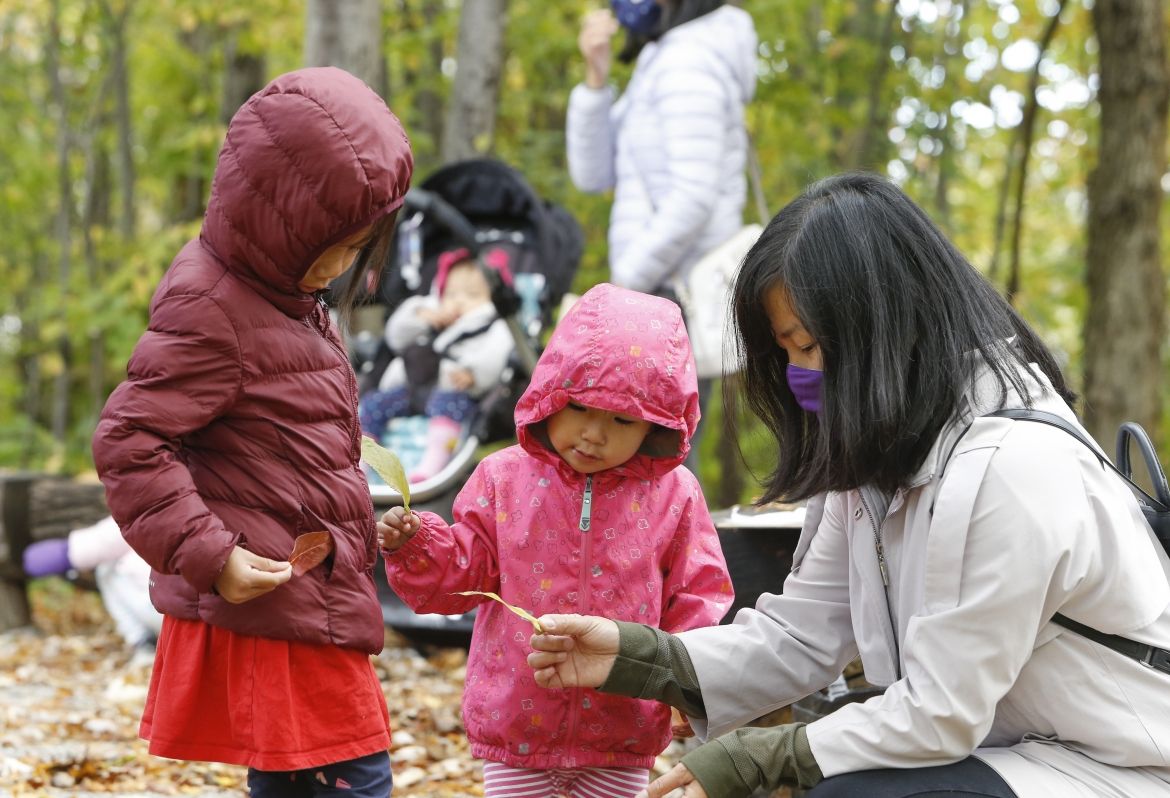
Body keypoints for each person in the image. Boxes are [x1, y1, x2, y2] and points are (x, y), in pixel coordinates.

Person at [526, 173, 1170, 798]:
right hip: (1011, 746)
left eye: (809, 347)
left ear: (886, 330)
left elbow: (940, 712)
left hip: (1117, 763)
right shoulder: (874, 469)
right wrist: (642, 659)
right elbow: (801, 635)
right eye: (785, 353)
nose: (798, 376)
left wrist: (762, 761)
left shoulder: (1013, 470)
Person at [91, 67, 413, 797]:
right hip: (280, 602)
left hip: (315, 595)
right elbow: (130, 438)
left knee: (302, 778)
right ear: (282, 220)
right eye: (330, 245)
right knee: (355, 778)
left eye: (356, 247)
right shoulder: (217, 305)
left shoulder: (283, 294)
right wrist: (210, 553)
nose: (338, 266)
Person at [378, 282, 734, 798]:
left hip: (623, 725)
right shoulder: (503, 478)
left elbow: (698, 595)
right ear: (552, 394)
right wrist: (416, 547)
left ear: (656, 425)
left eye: (620, 419)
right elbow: (462, 576)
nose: (593, 434)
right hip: (518, 722)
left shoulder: (673, 496)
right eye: (581, 408)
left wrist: (690, 681)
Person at [567, 0, 757, 474]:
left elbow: (693, 196)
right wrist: (596, 79)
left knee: (656, 470)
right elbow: (593, 175)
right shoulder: (662, 57)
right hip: (656, 295)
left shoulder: (690, 60)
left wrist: (625, 285)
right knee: (637, 467)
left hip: (676, 301)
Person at [358, 246, 516, 483]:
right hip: (414, 388)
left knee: (448, 404)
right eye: (452, 294)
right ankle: (360, 461)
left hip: (454, 388)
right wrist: (422, 315)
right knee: (373, 404)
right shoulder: (429, 314)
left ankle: (433, 462)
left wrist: (474, 373)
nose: (460, 302)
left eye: (472, 296)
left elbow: (497, 352)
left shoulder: (492, 325)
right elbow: (395, 336)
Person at [23, 515, 162, 654]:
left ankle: (141, 641)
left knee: (106, 569)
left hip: (165, 614)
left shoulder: (150, 506)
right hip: (176, 606)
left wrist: (66, 553)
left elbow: (108, 540)